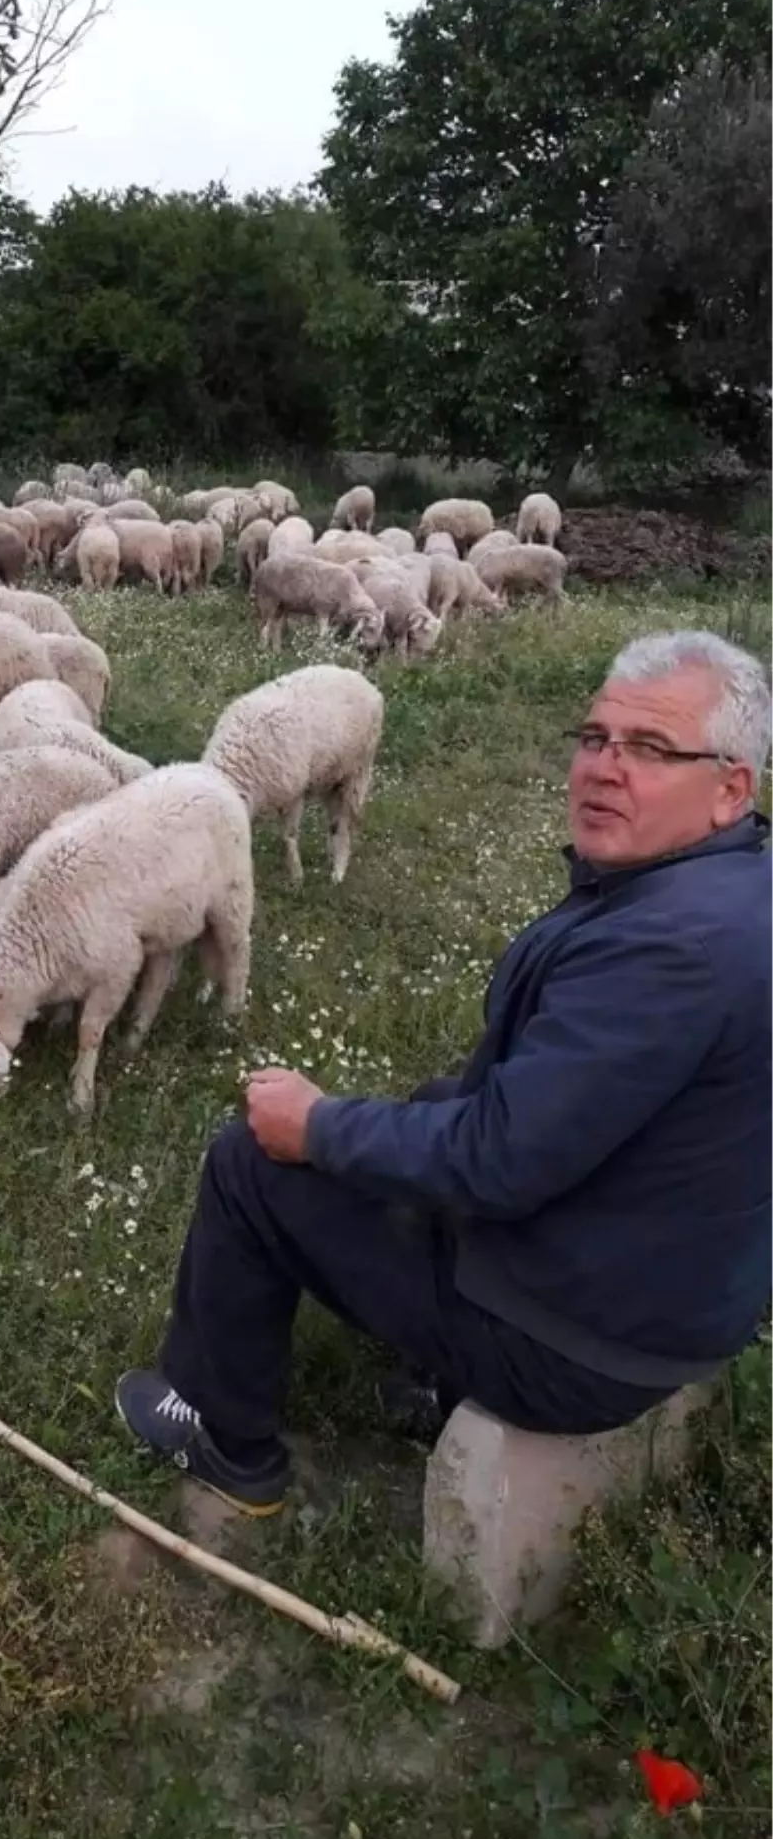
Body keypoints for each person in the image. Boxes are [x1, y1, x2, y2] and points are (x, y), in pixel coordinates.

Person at [116, 630, 773, 1516]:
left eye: (651, 749)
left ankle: (223, 1438)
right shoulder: (730, 892)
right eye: (595, 738)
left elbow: (500, 1161)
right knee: (427, 1108)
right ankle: (433, 1374)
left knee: (252, 1165)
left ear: (731, 788)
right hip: (660, 1288)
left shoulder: (671, 948)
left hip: (580, 1342)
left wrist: (315, 1127)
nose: (605, 767)